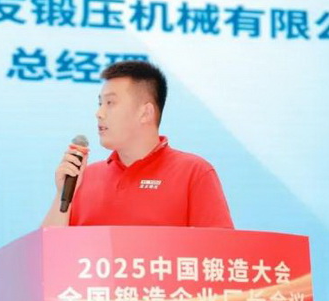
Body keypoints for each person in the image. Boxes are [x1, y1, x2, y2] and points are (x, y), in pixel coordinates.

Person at [42, 60, 234, 229]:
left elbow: (219, 251)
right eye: (100, 103)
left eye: (110, 103)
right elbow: (48, 250)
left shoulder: (193, 172)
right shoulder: (84, 178)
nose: (99, 113)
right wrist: (62, 195)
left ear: (145, 113)